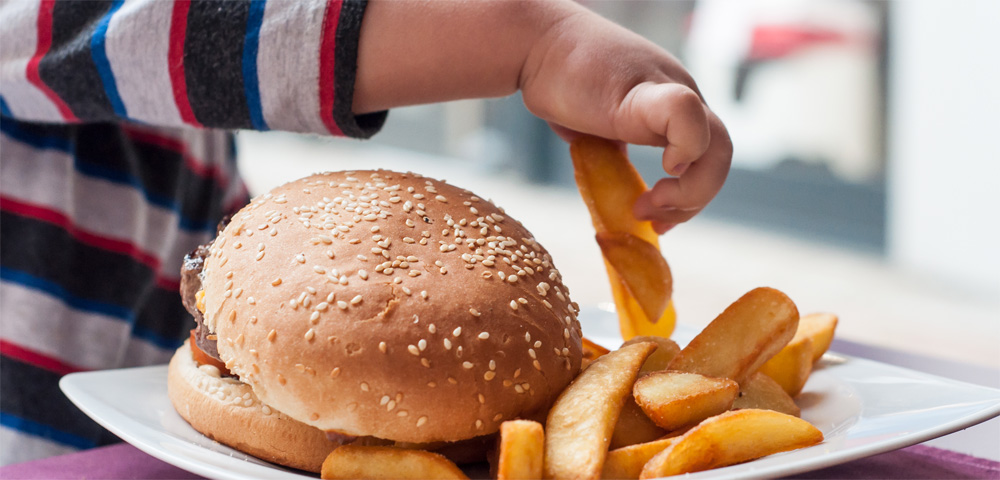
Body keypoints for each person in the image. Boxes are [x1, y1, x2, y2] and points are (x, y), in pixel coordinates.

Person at [0, 0, 732, 465]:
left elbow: (251, 266)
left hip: (166, 428)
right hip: (34, 444)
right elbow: (148, 33)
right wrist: (532, 41)